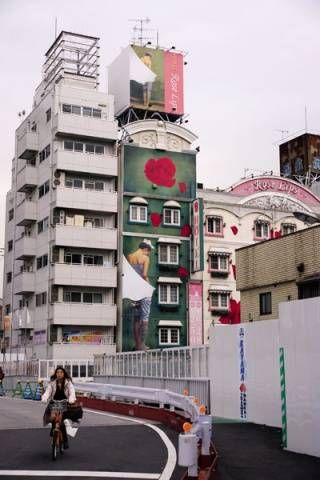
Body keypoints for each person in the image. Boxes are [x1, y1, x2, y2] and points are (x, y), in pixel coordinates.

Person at [42, 366, 78, 449]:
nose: (59, 374)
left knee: (61, 421)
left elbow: (72, 392)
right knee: (52, 417)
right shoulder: (52, 383)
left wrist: (71, 399)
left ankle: (65, 440)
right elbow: (48, 391)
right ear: (55, 374)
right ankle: (53, 427)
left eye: (61, 372)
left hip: (64, 402)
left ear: (64, 374)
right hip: (54, 402)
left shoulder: (68, 383)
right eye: (57, 372)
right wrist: (44, 397)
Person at [127, 241, 154, 350]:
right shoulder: (145, 258)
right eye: (149, 251)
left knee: (136, 318)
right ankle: (142, 344)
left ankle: (137, 345)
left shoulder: (130, 257)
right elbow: (144, 274)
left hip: (134, 290)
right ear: (145, 249)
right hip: (144, 289)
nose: (148, 254)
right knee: (145, 317)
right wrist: (148, 284)